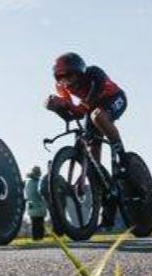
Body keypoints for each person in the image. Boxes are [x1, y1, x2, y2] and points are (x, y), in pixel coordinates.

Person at [45, 52, 127, 228]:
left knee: (98, 116)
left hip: (113, 98)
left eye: (70, 75)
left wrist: (75, 108)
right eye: (61, 77)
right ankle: (108, 208)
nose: (67, 80)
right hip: (92, 108)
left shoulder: (94, 74)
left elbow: (85, 105)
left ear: (80, 72)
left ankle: (122, 154)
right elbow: (72, 112)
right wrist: (58, 107)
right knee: (94, 163)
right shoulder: (62, 86)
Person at [24, 165, 48, 240]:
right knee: (40, 223)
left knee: (34, 223)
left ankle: (35, 238)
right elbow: (40, 192)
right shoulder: (38, 182)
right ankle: (40, 237)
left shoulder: (27, 182)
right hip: (39, 206)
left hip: (30, 206)